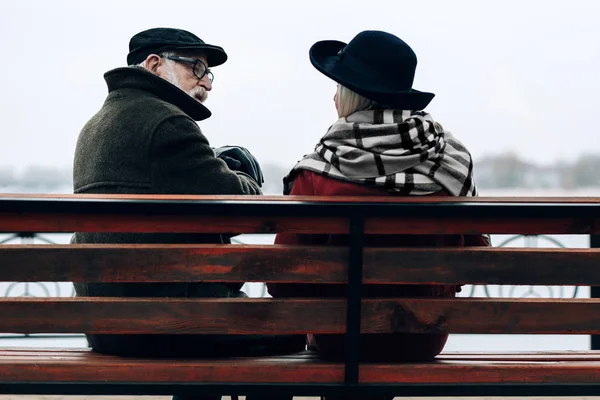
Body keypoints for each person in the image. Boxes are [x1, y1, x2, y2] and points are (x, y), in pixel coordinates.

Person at [72, 27, 304, 398]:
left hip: (103, 321)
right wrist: (243, 173)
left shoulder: (94, 127)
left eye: (208, 73)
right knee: (293, 332)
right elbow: (241, 209)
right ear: (154, 65)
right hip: (166, 321)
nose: (207, 83)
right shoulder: (166, 124)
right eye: (196, 68)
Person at [268, 30, 491, 398]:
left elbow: (281, 282)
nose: (334, 95)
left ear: (352, 96)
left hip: (339, 339)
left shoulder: (318, 170)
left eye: (339, 86)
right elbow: (473, 262)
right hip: (424, 336)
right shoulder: (450, 161)